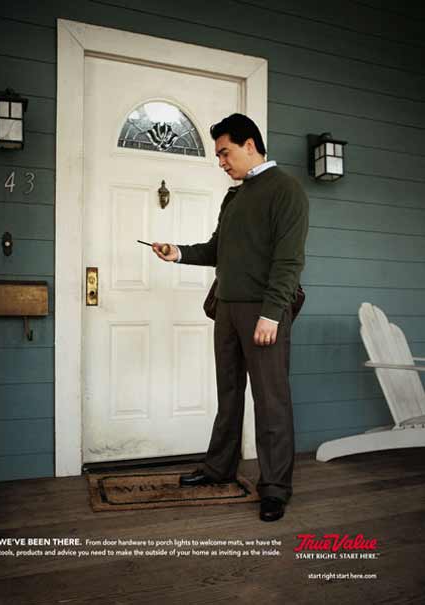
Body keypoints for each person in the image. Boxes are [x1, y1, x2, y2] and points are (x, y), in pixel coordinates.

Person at [152, 113, 309, 522]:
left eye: (225, 152)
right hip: (226, 310)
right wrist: (179, 253)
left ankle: (274, 488)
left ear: (250, 145)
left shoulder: (287, 190)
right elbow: (217, 249)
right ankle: (218, 469)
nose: (221, 161)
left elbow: (288, 261)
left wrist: (272, 315)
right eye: (218, 154)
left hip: (264, 313)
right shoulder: (234, 196)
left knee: (271, 402)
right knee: (229, 393)